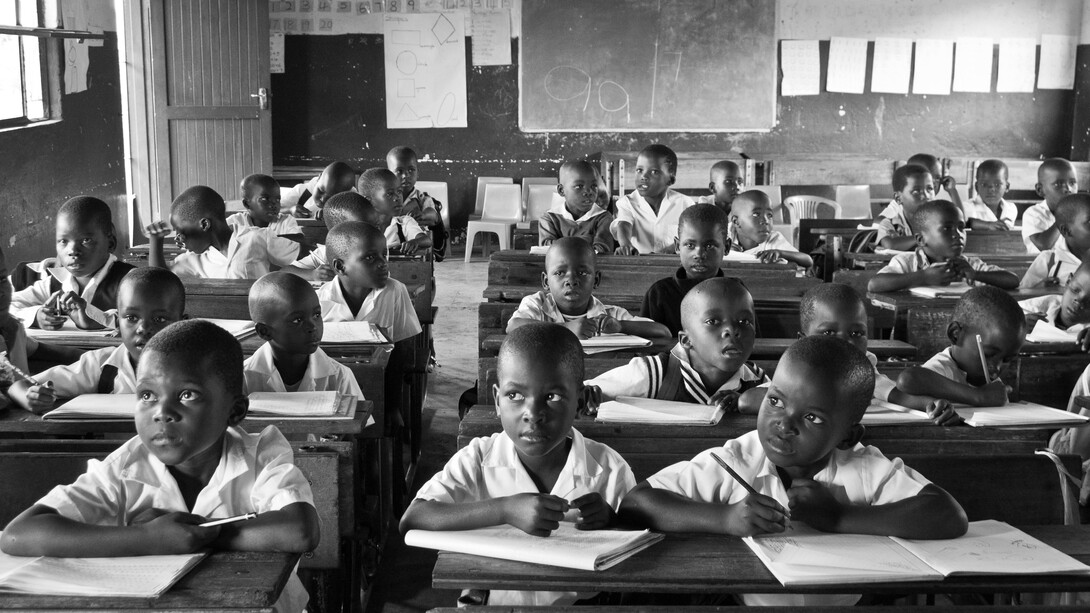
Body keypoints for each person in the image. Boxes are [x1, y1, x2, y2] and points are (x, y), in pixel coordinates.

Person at [618, 335, 968, 607]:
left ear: (847, 436)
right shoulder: (736, 459)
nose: (783, 424)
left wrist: (839, 518)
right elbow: (638, 502)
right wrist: (724, 518)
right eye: (775, 401)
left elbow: (947, 514)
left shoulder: (863, 465)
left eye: (812, 417)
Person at [0, 319, 321, 613]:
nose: (162, 412)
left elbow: (299, 529)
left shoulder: (261, 454)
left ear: (235, 411)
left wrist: (195, 536)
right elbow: (19, 535)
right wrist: (145, 538)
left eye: (187, 395)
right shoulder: (124, 466)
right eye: (147, 395)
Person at [400, 323, 636, 607]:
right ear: (498, 400)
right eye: (515, 396)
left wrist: (612, 519)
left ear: (580, 401)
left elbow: (640, 548)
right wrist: (505, 509)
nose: (533, 414)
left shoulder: (609, 468)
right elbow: (413, 519)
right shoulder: (478, 459)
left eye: (553, 397)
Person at [7, 267, 185, 413]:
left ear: (182, 323)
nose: (143, 329)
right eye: (131, 318)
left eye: (160, 319)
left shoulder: (196, 366)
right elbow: (20, 385)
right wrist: (29, 396)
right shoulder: (101, 365)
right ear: (117, 322)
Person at [589, 277, 769, 413]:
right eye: (713, 321)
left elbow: (787, 405)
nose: (732, 330)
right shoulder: (654, 373)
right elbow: (585, 392)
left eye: (745, 321)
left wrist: (744, 401)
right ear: (685, 340)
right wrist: (589, 396)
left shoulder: (755, 379)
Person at [798, 283, 961, 425]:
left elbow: (894, 394)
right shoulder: (794, 371)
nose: (846, 343)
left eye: (856, 333)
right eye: (828, 333)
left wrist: (932, 405)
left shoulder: (862, 367)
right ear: (802, 341)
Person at [506, 237, 668, 339]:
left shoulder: (610, 315)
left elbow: (662, 331)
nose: (571, 280)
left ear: (596, 280)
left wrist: (621, 326)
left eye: (582, 273)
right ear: (546, 281)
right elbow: (513, 326)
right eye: (560, 273)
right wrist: (566, 328)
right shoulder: (537, 305)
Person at [11, 196, 134, 330]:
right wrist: (36, 316)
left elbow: (144, 316)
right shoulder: (54, 283)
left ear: (110, 243)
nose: (73, 251)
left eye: (86, 240)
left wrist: (98, 319)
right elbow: (7, 306)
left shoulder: (131, 280)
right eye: (63, 241)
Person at [244, 272, 364, 402]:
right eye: (297, 320)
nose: (313, 327)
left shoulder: (339, 377)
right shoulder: (242, 379)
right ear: (264, 331)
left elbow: (359, 421)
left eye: (316, 315)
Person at [898, 286, 1025, 407]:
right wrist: (979, 396)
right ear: (955, 335)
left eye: (1007, 360)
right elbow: (908, 379)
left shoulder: (991, 384)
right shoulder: (942, 369)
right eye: (988, 355)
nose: (996, 368)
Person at [867, 200, 1019, 292]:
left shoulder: (968, 265)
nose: (958, 234)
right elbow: (874, 284)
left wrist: (976, 275)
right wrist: (924, 276)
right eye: (946, 229)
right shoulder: (906, 262)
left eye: (961, 228)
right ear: (921, 239)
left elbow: (1013, 281)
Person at [317, 221, 422, 343]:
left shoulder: (394, 290)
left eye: (384, 255)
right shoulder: (319, 301)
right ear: (340, 266)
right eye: (370, 257)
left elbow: (404, 345)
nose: (383, 263)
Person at [145, 185, 273, 279]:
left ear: (205, 224)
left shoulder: (255, 238)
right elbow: (160, 278)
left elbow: (291, 258)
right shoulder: (195, 258)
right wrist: (155, 241)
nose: (179, 238)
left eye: (181, 231)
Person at [641, 203, 729, 336]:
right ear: (677, 246)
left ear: (726, 247)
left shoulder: (735, 291)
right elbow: (646, 346)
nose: (699, 255)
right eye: (690, 245)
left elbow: (751, 343)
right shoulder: (659, 293)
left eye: (710, 246)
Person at [610, 144, 695, 254]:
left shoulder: (685, 204)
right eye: (639, 170)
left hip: (675, 265)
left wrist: (669, 251)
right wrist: (625, 245)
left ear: (671, 178)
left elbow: (693, 235)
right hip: (640, 266)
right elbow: (624, 225)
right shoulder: (627, 202)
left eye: (654, 172)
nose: (643, 176)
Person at [284, 191, 379, 283]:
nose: (370, 233)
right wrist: (313, 274)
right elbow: (284, 272)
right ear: (337, 234)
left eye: (374, 226)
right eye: (360, 229)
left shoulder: (379, 251)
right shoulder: (326, 254)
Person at [225, 173, 302, 267]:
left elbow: (300, 240)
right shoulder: (236, 222)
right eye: (265, 199)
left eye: (277, 199)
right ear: (247, 204)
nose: (273, 204)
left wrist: (258, 241)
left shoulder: (285, 221)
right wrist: (272, 242)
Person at [538, 160, 614, 255]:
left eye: (594, 185)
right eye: (579, 186)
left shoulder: (604, 217)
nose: (589, 191)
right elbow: (546, 250)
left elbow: (602, 250)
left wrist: (561, 243)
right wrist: (587, 240)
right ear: (561, 190)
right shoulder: (549, 218)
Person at [386, 146, 447, 260]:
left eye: (411, 170)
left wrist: (423, 215)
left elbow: (433, 215)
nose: (406, 176)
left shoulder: (422, 197)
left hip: (418, 246)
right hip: (391, 246)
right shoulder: (385, 198)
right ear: (389, 174)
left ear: (417, 172)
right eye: (399, 171)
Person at [1020, 193, 1090, 289]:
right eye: (1089, 222)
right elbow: (1023, 294)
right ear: (1066, 231)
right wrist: (1038, 288)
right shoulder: (1049, 260)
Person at [357, 168, 432, 256]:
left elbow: (427, 240)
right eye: (390, 194)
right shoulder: (361, 227)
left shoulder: (404, 222)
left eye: (399, 191)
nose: (398, 198)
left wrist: (415, 242)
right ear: (369, 200)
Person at [729, 190, 812, 267]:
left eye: (770, 215)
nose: (766, 220)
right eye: (756, 214)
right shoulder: (725, 234)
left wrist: (780, 253)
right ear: (736, 222)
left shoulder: (772, 239)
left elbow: (808, 261)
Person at [1019, 259, 1090, 346]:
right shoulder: (1031, 309)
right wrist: (1017, 327)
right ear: (1068, 282)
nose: (1078, 301)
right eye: (1075, 290)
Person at [1023, 158, 1078, 254]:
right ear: (1040, 190)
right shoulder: (1033, 213)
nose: (1068, 189)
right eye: (1058, 184)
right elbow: (1043, 245)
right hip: (1042, 268)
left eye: (1072, 183)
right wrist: (1063, 215)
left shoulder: (1081, 213)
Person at [875, 163, 935, 252]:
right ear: (898, 198)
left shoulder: (941, 219)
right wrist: (930, 238)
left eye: (929, 189)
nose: (926, 195)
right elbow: (891, 245)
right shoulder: (889, 224)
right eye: (916, 191)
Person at [281, 161, 357, 219]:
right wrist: (290, 210)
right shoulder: (302, 191)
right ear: (319, 177)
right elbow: (273, 210)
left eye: (331, 197)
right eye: (321, 191)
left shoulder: (353, 201)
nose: (323, 199)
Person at [965, 159, 1017, 230]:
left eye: (997, 184)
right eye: (984, 184)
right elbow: (968, 222)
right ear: (977, 187)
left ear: (1007, 187)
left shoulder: (1011, 208)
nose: (991, 189)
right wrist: (988, 225)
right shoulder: (967, 206)